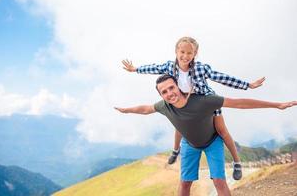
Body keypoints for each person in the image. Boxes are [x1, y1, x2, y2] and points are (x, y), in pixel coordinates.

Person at [115, 74, 296, 196]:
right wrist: (127, 110)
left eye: (171, 88)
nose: (170, 93)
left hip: (212, 142)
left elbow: (240, 103)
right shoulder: (164, 106)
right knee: (185, 184)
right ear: (161, 95)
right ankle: (176, 152)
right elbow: (145, 109)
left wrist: (276, 105)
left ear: (178, 86)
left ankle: (236, 163)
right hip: (189, 145)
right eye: (164, 92)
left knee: (219, 180)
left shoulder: (203, 101)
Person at [121, 36, 265, 180]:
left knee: (222, 130)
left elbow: (221, 77)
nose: (185, 56)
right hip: (184, 102)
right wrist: (136, 69)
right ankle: (176, 150)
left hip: (204, 101)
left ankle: (237, 162)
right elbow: (154, 68)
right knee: (180, 125)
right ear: (176, 52)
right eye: (182, 52)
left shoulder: (200, 69)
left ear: (195, 53)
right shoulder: (169, 67)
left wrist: (247, 85)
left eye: (189, 53)